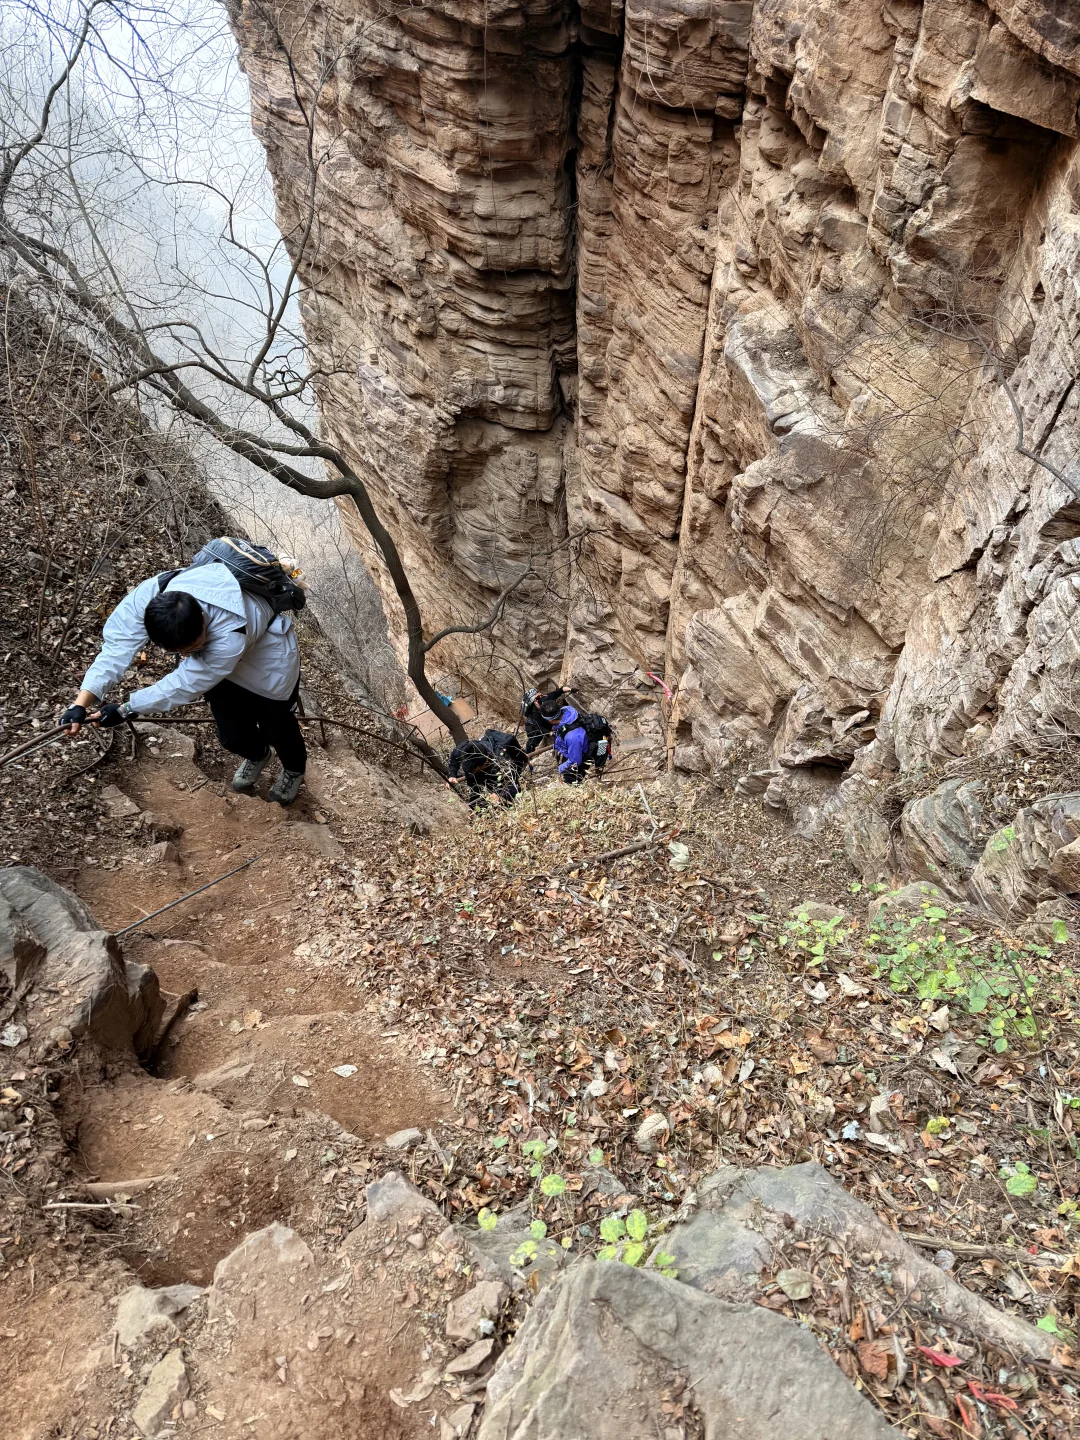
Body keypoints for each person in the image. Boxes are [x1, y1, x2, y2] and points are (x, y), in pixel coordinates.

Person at [61, 558, 306, 805]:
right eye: (180, 651)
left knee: (276, 726)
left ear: (202, 617)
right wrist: (81, 702)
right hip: (221, 670)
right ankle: (258, 755)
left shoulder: (230, 633)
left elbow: (182, 685)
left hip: (269, 664)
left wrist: (126, 709)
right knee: (232, 735)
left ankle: (294, 770)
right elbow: (117, 647)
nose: (186, 654)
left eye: (194, 646)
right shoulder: (154, 596)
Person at [447, 728, 529, 809]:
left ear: (484, 764)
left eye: (475, 771)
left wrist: (500, 795)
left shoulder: (501, 759)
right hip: (480, 774)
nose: (473, 773)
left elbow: (513, 783)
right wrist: (452, 774)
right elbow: (454, 757)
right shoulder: (464, 751)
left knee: (504, 797)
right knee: (475, 796)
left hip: (498, 771)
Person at [553, 704, 612, 784]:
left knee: (571, 780)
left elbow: (575, 761)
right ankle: (598, 777)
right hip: (599, 743)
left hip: (588, 751)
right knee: (599, 763)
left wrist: (560, 769)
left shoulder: (572, 736)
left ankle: (597, 780)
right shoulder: (571, 715)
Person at [521, 684, 570, 753]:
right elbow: (539, 727)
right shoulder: (536, 712)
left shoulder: (548, 698)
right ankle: (527, 754)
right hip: (532, 725)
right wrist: (550, 733)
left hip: (545, 720)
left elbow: (559, 691)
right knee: (533, 741)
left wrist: (569, 689)